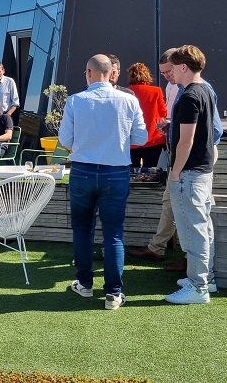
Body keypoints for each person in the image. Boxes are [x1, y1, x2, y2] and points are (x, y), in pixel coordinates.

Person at [59, 54, 147, 310]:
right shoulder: (129, 100)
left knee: (82, 231)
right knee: (114, 234)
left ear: (88, 72)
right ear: (111, 73)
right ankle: (113, 293)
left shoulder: (76, 100)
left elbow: (65, 139)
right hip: (116, 172)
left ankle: (85, 284)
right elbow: (140, 138)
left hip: (83, 171)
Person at [128, 49, 223, 267]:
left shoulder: (195, 91)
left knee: (194, 214)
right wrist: (174, 129)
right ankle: (161, 249)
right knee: (177, 206)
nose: (167, 76)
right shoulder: (184, 89)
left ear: (181, 67)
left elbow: (213, 131)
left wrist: (178, 168)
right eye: (163, 73)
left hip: (192, 161)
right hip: (189, 159)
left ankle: (196, 269)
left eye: (168, 71)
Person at [164, 45, 216, 305]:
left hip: (190, 172)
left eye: (173, 68)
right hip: (203, 171)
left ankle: (199, 286)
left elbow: (186, 141)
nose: (170, 72)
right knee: (203, 225)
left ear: (184, 66)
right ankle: (207, 279)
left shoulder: (189, 96)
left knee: (193, 230)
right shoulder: (205, 90)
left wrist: (175, 173)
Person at [126, 62, 167, 168]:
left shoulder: (125, 93)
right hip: (153, 139)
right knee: (151, 172)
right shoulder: (156, 91)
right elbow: (164, 113)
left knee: (131, 173)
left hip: (131, 140)